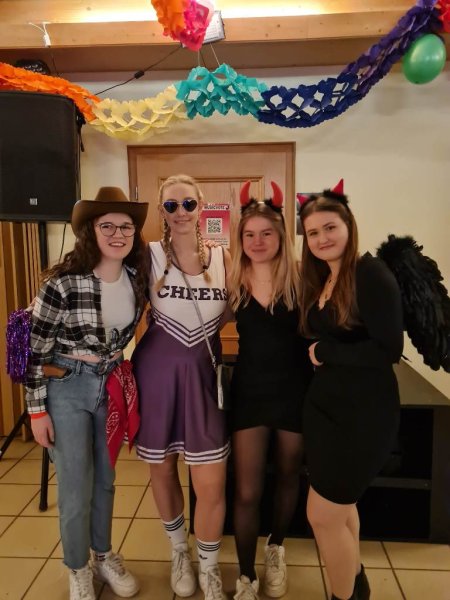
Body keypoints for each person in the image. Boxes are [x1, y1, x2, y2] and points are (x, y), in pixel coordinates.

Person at [24, 186, 149, 600]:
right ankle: (77, 567)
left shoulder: (136, 279)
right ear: (90, 231)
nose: (118, 234)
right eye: (107, 226)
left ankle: (103, 554)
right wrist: (37, 412)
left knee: (106, 480)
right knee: (76, 487)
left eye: (126, 227)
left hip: (109, 384)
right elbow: (34, 351)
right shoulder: (62, 283)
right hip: (67, 386)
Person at [298, 182, 404, 600]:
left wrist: (326, 351)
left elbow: (388, 350)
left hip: (362, 416)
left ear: (348, 226)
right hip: (326, 412)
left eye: (330, 227)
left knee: (323, 515)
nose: (322, 238)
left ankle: (344, 595)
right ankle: (355, 582)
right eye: (313, 232)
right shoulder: (327, 276)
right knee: (339, 511)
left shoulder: (369, 273)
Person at [132, 174, 232, 600]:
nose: (181, 213)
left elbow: (241, 309)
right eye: (171, 206)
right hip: (157, 377)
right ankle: (178, 550)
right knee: (163, 469)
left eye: (188, 204)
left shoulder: (225, 258)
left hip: (205, 378)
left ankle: (208, 565)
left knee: (210, 481)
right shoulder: (148, 255)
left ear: (201, 206)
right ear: (162, 211)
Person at [227, 181, 313, 600]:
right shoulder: (231, 280)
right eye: (249, 234)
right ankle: (246, 575)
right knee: (246, 490)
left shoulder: (303, 279)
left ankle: (276, 547)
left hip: (295, 392)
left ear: (280, 236)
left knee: (288, 476)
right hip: (250, 394)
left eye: (266, 233)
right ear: (240, 238)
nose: (257, 241)